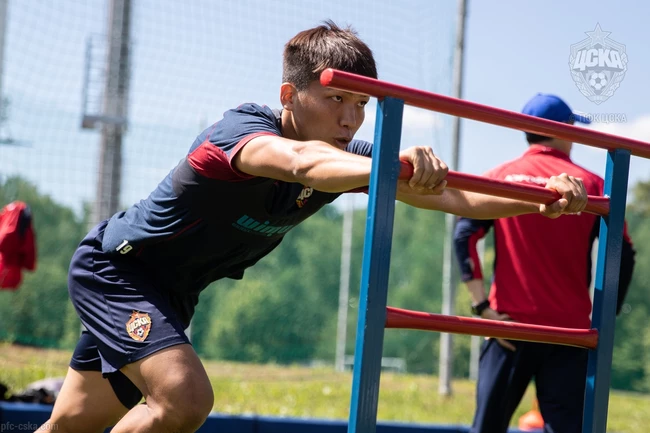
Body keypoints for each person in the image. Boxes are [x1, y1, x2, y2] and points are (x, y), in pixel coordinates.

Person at [38, 25, 588, 433]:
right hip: (118, 270)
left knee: (73, 423)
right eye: (335, 99)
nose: (350, 118)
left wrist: (541, 199)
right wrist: (389, 166)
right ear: (289, 97)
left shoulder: (350, 157)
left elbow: (452, 195)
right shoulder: (242, 132)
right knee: (184, 399)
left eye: (361, 104)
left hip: (173, 294)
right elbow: (301, 162)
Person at [454, 93, 636, 433]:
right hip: (569, 334)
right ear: (564, 129)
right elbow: (623, 254)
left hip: (508, 328)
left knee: (486, 427)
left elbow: (464, 236)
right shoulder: (594, 185)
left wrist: (482, 308)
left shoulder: (500, 176)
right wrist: (603, 320)